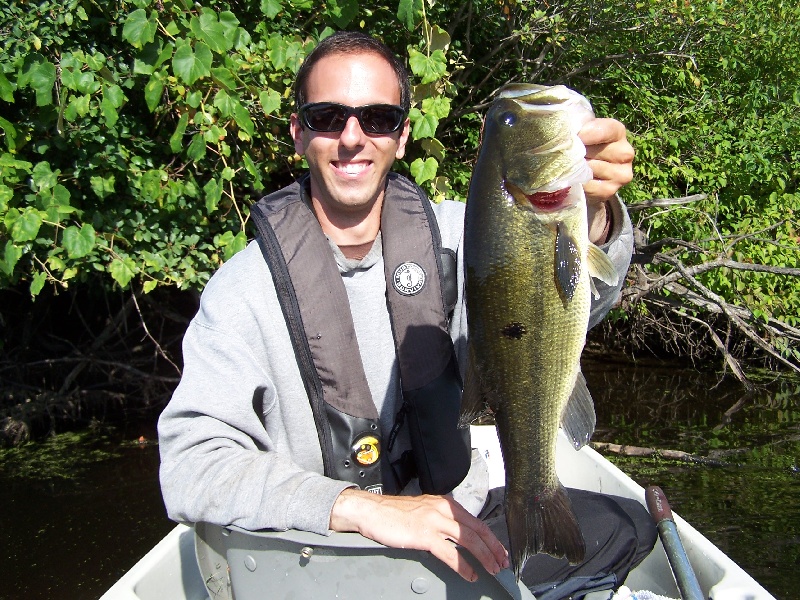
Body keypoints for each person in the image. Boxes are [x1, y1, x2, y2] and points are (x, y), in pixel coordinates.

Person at [158, 31, 656, 599]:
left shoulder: (467, 232)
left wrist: (593, 217)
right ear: (298, 133)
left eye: (376, 117)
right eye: (327, 117)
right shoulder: (241, 291)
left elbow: (568, 315)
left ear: (403, 132)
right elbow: (189, 465)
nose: (352, 139)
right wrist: (358, 508)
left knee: (631, 523)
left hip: (458, 532)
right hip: (321, 557)